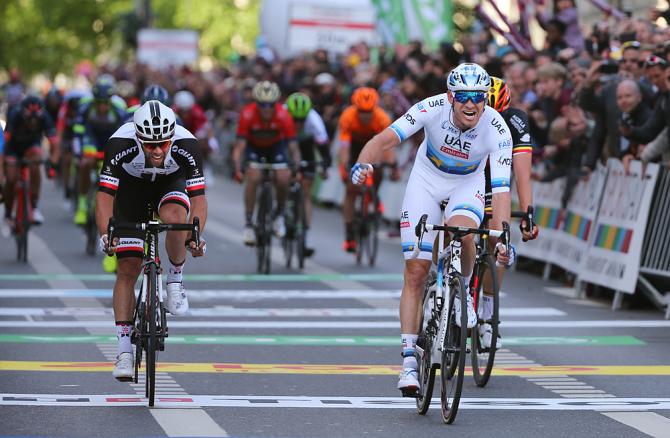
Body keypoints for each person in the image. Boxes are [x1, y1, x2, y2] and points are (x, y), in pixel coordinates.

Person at [350, 63, 512, 395]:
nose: (471, 105)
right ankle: (409, 361)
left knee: (463, 231)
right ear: (451, 96)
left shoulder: (497, 129)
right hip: (426, 181)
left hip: (466, 184)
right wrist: (364, 161)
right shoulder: (429, 108)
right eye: (464, 97)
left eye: (479, 98)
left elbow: (502, 190)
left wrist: (501, 237)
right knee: (416, 271)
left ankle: (463, 292)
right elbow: (386, 139)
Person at [96, 100, 208, 380]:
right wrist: (104, 233)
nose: (157, 150)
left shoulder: (188, 144)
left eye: (162, 144)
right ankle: (123, 351)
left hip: (169, 185)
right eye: (149, 145)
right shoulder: (120, 143)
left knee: (176, 216)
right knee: (127, 269)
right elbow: (105, 196)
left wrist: (196, 236)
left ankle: (175, 280)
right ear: (137, 136)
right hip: (131, 193)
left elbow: (199, 200)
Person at [232, 81, 301, 245]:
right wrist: (237, 169)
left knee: (283, 178)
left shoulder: (284, 115)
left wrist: (296, 169)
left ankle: (279, 215)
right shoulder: (247, 114)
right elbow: (239, 147)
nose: (267, 109)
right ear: (256, 103)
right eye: (262, 105)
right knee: (254, 177)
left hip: (276, 148)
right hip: (253, 148)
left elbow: (293, 147)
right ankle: (249, 224)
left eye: (271, 105)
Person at [337, 87, 398, 252]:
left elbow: (387, 146)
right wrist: (344, 166)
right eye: (361, 111)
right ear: (355, 108)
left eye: (368, 111)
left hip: (374, 145)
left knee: (377, 168)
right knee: (351, 189)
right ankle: (349, 231)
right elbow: (344, 147)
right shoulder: (347, 117)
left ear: (375, 108)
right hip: (354, 148)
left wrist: (392, 164)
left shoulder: (382, 118)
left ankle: (373, 195)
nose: (365, 115)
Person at [73, 78, 128, 228]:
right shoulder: (85, 108)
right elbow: (78, 133)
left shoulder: (119, 109)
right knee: (86, 164)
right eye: (99, 102)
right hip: (91, 140)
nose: (102, 106)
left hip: (111, 140)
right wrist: (78, 154)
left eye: (106, 102)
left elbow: (126, 135)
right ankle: (83, 205)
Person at [285, 92, 331, 256]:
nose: (298, 123)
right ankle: (282, 216)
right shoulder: (282, 115)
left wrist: (325, 167)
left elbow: (324, 148)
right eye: (294, 119)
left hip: (306, 146)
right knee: (283, 178)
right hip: (285, 144)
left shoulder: (314, 120)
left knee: (306, 192)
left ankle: (307, 233)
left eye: (301, 120)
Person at [3, 95, 59, 227]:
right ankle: (8, 212)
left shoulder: (45, 117)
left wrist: (52, 164)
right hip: (13, 147)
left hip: (31, 146)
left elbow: (54, 144)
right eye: (29, 119)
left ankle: (33, 206)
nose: (33, 122)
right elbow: (4, 142)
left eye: (36, 119)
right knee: (11, 179)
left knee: (36, 163)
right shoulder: (14, 115)